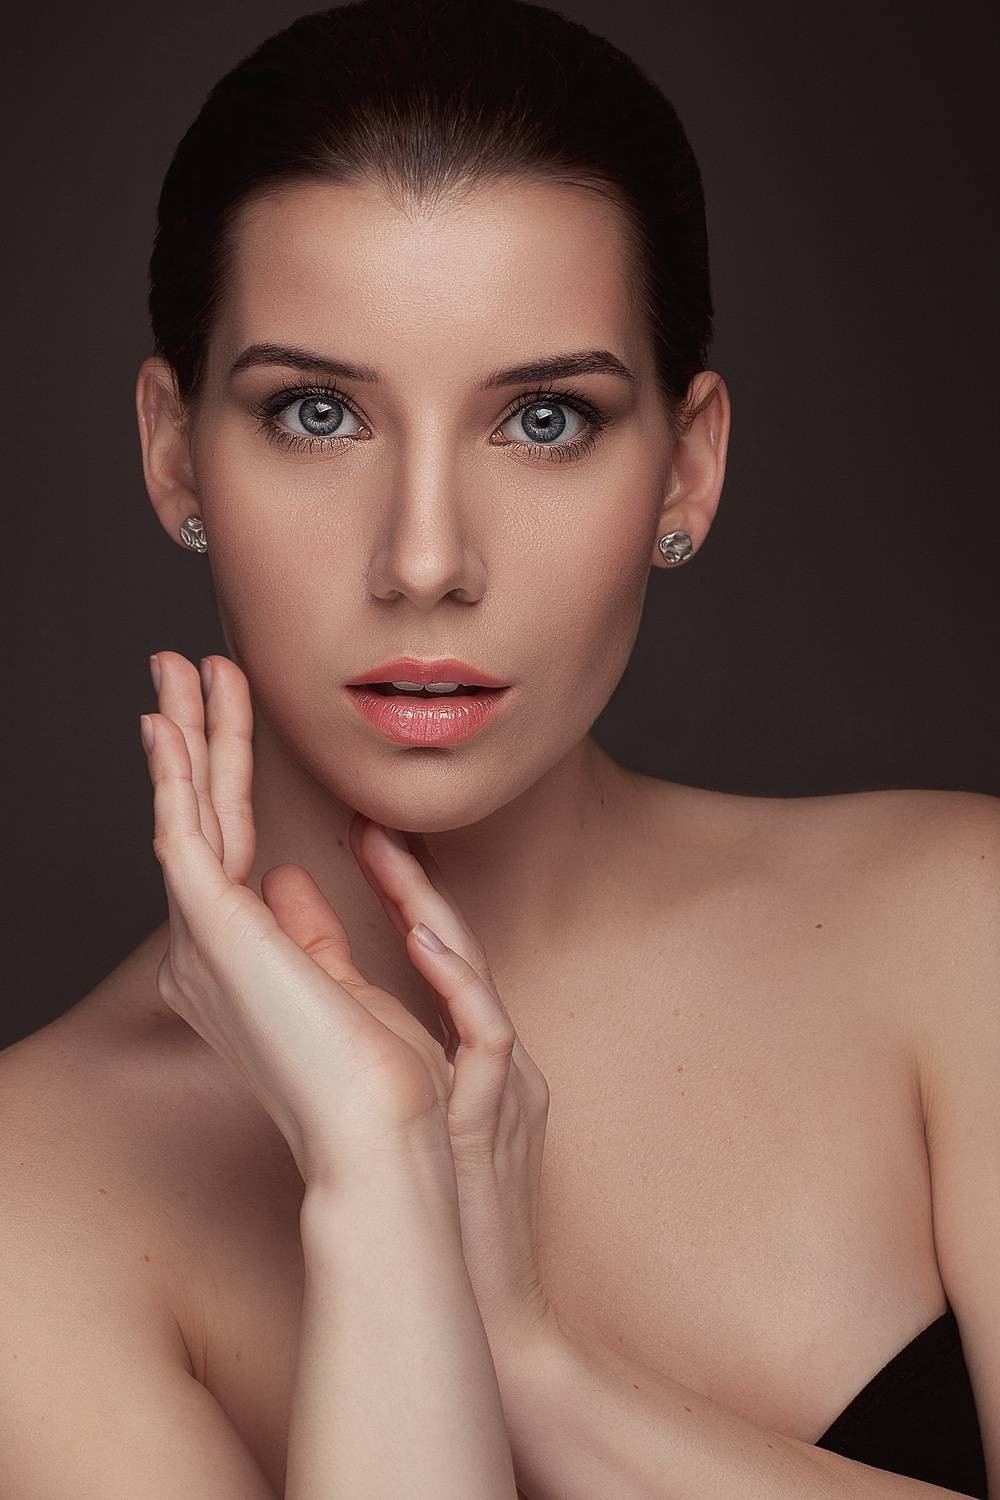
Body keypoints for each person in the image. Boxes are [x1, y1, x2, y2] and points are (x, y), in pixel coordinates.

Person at [1, 0, 996, 1495]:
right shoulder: (27, 1206)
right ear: (171, 446)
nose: (424, 560)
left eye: (542, 420)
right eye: (317, 413)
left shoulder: (964, 930)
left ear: (689, 466)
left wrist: (530, 1365)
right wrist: (376, 1178)